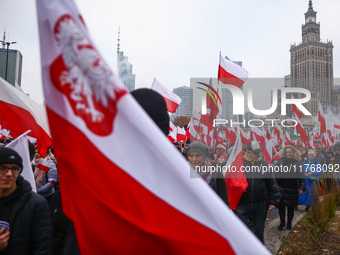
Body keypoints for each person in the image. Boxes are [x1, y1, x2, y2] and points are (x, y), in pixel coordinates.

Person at [0, 147, 53, 254]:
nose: (9, 173)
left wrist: (42, 190)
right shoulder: (33, 163)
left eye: (14, 168)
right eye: (3, 168)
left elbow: (43, 248)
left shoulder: (36, 204)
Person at [235, 141, 280, 243]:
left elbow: (271, 183)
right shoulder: (239, 163)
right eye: (255, 152)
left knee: (259, 230)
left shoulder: (263, 164)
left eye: (258, 152)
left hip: (259, 203)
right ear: (248, 152)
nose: (258, 154)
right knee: (241, 230)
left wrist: (274, 201)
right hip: (242, 203)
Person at [187, 141, 229, 206]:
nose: (194, 159)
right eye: (191, 156)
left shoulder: (216, 175)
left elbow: (224, 202)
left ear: (204, 157)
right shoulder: (183, 173)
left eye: (198, 156)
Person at [274, 145, 305, 230]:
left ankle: (289, 223)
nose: (288, 153)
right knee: (281, 207)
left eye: (290, 152)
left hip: (292, 187)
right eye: (287, 152)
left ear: (293, 152)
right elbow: (275, 174)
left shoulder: (297, 163)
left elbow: (301, 176)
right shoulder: (280, 161)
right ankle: (282, 223)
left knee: (291, 208)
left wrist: (302, 186)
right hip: (281, 187)